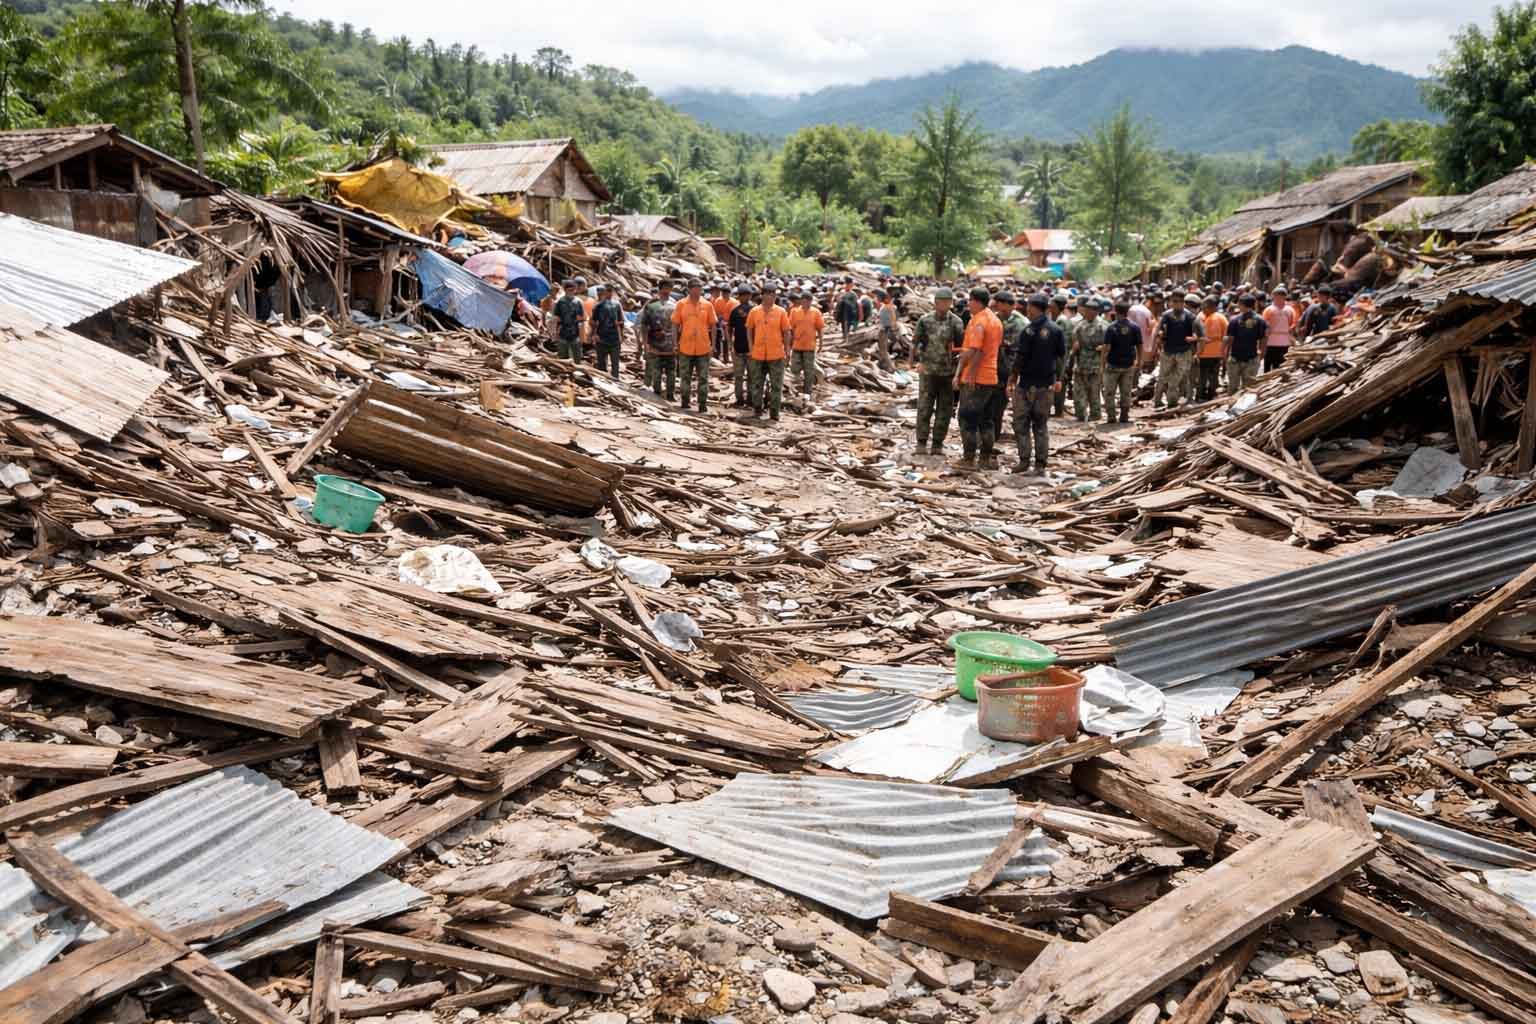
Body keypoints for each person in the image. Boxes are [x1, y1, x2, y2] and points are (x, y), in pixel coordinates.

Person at [1010, 293, 1066, 475]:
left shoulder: (1028, 331)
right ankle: (1040, 464)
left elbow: (1020, 357)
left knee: (1021, 422)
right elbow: (1061, 357)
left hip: (1027, 384)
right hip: (1046, 384)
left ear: (1035, 308)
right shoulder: (1057, 330)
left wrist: (1012, 378)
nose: (1027, 310)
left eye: (1029, 307)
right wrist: (1058, 379)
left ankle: (1024, 460)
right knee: (1041, 424)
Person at [954, 287, 1004, 469]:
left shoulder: (979, 321)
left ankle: (968, 458)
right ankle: (985, 458)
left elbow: (976, 351)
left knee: (967, 418)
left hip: (977, 377)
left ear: (976, 301)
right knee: (987, 420)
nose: (968, 304)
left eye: (970, 301)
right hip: (991, 376)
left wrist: (966, 375)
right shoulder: (995, 320)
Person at [911, 286, 965, 454]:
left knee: (945, 409)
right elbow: (915, 342)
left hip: (947, 373)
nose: (944, 305)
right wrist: (913, 362)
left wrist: (958, 372)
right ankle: (921, 442)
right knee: (924, 407)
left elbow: (961, 347)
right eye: (941, 302)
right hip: (928, 371)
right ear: (935, 303)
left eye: (948, 302)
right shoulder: (925, 320)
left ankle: (937, 444)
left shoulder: (956, 322)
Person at [746, 282, 792, 420]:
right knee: (756, 384)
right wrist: (750, 347)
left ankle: (774, 413)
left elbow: (787, 332)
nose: (771, 297)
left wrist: (787, 350)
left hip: (776, 354)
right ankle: (757, 409)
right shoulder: (755, 311)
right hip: (758, 354)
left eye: (773, 294)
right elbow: (749, 328)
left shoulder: (781, 312)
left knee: (776, 386)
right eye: (768, 294)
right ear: (762, 295)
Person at [673, 279, 718, 412]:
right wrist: (675, 344)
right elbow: (675, 325)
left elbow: (713, 326)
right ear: (689, 289)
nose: (698, 290)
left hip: (703, 347)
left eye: (699, 288)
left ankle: (702, 404)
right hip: (685, 347)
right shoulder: (681, 304)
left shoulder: (707, 305)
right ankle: (685, 401)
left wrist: (713, 345)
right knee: (685, 376)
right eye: (695, 288)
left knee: (703, 377)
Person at [1151, 290, 1201, 408]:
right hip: (1168, 351)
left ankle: (1173, 401)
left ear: (1183, 302)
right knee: (1163, 377)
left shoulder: (1190, 317)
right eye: (1174, 301)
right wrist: (1155, 344)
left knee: (1177, 378)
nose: (1176, 304)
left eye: (1179, 301)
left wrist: (1195, 347)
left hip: (1184, 352)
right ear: (1170, 302)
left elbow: (1198, 335)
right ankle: (1158, 400)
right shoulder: (1166, 315)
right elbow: (1158, 331)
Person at [992, 291, 1027, 442]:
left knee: (1019, 407)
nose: (997, 307)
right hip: (997, 369)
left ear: (1007, 304)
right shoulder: (996, 318)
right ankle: (994, 436)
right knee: (996, 406)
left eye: (999, 304)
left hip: (1015, 370)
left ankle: (1022, 438)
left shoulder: (1021, 323)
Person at [1102, 300, 1141, 424]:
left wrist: (1102, 364)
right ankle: (1124, 416)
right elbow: (1140, 345)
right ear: (1127, 312)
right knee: (1126, 392)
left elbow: (1106, 348)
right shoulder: (1134, 327)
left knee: (1109, 392)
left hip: (1113, 365)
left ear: (1115, 311)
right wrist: (1140, 361)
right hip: (1128, 364)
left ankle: (1111, 417)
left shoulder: (1111, 327)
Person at [1069, 298, 1108, 422]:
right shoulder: (1080, 324)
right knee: (1078, 392)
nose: (1087, 312)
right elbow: (1073, 340)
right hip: (1081, 363)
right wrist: (1074, 347)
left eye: (1090, 310)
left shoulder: (1103, 326)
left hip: (1096, 364)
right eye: (1086, 310)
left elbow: (1110, 344)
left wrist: (1103, 348)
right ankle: (1080, 414)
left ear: (1096, 311)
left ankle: (1095, 415)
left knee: (1094, 392)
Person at [639, 281, 678, 399]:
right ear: (660, 289)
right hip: (658, 346)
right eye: (666, 288)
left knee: (667, 372)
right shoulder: (652, 306)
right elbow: (644, 326)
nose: (667, 291)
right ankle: (662, 395)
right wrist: (645, 343)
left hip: (668, 346)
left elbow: (679, 327)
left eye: (669, 288)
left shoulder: (674, 306)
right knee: (660, 372)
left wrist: (678, 343)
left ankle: (666, 395)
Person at [1224, 293, 1267, 393]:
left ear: (1242, 304)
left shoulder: (1234, 320)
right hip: (1251, 358)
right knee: (1248, 388)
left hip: (1235, 357)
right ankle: (1244, 408)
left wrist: (1226, 355)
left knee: (1233, 387)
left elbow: (1230, 339)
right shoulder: (1260, 320)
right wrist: (1261, 353)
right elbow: (1263, 339)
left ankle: (1231, 406)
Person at [789, 289, 825, 398]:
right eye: (803, 300)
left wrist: (821, 342)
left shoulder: (816, 312)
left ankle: (807, 392)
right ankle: (794, 389)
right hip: (797, 345)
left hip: (809, 346)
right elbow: (791, 328)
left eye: (808, 301)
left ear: (810, 301)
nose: (805, 303)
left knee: (808, 370)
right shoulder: (794, 311)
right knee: (795, 368)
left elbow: (820, 328)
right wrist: (789, 344)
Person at [1196, 294, 1228, 402]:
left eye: (1205, 307)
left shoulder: (1208, 318)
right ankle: (1211, 395)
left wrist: (1198, 352)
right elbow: (1226, 336)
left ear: (1212, 307)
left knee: (1203, 376)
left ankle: (1200, 396)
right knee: (1213, 375)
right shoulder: (1222, 317)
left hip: (1205, 353)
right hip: (1217, 353)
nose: (1203, 309)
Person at [590, 284, 625, 377]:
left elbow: (621, 321)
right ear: (604, 292)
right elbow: (593, 322)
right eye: (607, 290)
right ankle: (605, 382)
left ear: (612, 292)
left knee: (615, 364)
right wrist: (594, 335)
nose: (609, 292)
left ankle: (615, 382)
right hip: (601, 338)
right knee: (602, 364)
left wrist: (621, 334)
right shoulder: (598, 306)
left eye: (610, 290)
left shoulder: (617, 305)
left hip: (614, 339)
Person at [729, 284, 754, 406]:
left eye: (745, 295)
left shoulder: (755, 310)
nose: (743, 298)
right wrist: (730, 344)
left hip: (750, 349)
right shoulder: (735, 311)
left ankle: (747, 399)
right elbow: (729, 327)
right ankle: (741, 399)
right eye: (742, 295)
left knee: (748, 376)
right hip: (739, 348)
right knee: (742, 376)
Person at [552, 279, 586, 362]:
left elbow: (581, 320)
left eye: (573, 290)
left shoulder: (578, 302)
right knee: (563, 358)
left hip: (575, 334)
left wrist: (582, 336)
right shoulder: (560, 302)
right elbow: (556, 318)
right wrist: (555, 333)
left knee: (577, 358)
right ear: (565, 290)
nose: (572, 292)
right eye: (570, 290)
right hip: (562, 333)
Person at [1049, 295, 1072, 416]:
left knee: (1059, 379)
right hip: (1061, 354)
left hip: (1060, 356)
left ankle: (1058, 410)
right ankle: (1058, 409)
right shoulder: (1059, 319)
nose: (1049, 308)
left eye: (1052, 306)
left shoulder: (1061, 321)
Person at [1262, 286, 1295, 371]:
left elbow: (1293, 324)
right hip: (1270, 341)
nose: (1279, 298)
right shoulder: (1268, 310)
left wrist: (1291, 337)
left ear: (1285, 297)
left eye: (1282, 296)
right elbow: (1264, 325)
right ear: (1274, 296)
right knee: (1268, 365)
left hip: (1284, 342)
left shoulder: (1290, 310)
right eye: (1277, 296)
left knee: (1281, 365)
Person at [875, 290, 899, 371]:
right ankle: (880, 363)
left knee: (883, 349)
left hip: (884, 329)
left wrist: (892, 326)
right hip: (884, 328)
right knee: (882, 348)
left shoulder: (888, 306)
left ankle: (891, 367)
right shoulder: (886, 306)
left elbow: (893, 317)